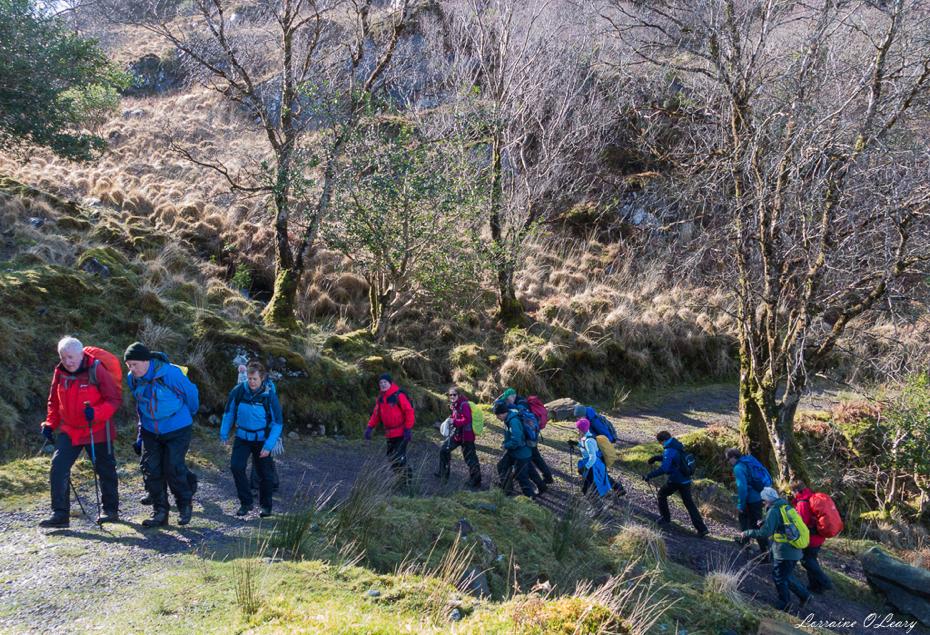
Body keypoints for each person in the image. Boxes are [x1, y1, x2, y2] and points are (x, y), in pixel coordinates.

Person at [39, 337, 122, 527]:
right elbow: (54, 401)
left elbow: (114, 399)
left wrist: (97, 413)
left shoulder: (96, 369)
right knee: (58, 467)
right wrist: (50, 423)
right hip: (71, 429)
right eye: (63, 356)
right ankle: (60, 515)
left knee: (105, 469)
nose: (67, 361)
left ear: (81, 353)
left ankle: (110, 510)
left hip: (98, 428)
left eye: (71, 357)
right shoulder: (60, 372)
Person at [125, 341, 199, 527]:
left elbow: (191, 394)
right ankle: (160, 514)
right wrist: (141, 434)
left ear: (146, 361)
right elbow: (140, 405)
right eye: (129, 365)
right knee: (152, 469)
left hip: (177, 428)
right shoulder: (132, 378)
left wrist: (187, 415)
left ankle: (184, 506)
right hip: (151, 430)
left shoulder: (170, 373)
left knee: (172, 467)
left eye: (135, 364)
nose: (132, 369)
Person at [220, 361, 283, 518]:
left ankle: (266, 507)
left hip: (262, 440)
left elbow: (278, 423)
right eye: (249, 378)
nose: (252, 382)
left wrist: (268, 446)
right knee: (236, 467)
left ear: (262, 378)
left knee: (265, 474)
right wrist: (224, 433)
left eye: (254, 379)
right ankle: (246, 503)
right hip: (242, 437)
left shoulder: (269, 396)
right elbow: (229, 413)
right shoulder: (238, 391)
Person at [742, 487, 812, 610]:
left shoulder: (774, 510)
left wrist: (747, 533)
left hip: (784, 551)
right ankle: (805, 596)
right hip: (795, 549)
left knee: (779, 577)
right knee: (786, 575)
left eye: (763, 500)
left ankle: (785, 604)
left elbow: (765, 533)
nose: (762, 503)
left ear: (768, 500)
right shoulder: (785, 507)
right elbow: (781, 526)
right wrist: (765, 523)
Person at [644, 430, 708, 537]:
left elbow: (664, 468)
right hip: (686, 480)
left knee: (661, 494)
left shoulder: (669, 450)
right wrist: (656, 458)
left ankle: (665, 519)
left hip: (676, 480)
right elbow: (674, 459)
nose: (661, 444)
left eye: (660, 442)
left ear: (663, 441)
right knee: (689, 504)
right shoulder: (677, 445)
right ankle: (702, 529)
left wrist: (649, 476)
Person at [365, 373, 414, 486]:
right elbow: (376, 414)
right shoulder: (381, 398)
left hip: (401, 433)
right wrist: (370, 427)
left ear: (390, 383)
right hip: (390, 434)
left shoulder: (398, 395)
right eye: (381, 383)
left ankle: (407, 480)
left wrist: (408, 428)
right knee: (391, 458)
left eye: (385, 382)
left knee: (399, 457)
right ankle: (400, 479)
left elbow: (409, 411)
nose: (383, 384)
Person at [498, 388, 554, 486]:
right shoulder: (519, 401)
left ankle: (546, 479)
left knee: (534, 458)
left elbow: (520, 414)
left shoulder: (521, 403)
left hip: (528, 437)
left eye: (507, 399)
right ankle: (544, 480)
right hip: (529, 435)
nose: (507, 402)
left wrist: (509, 406)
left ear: (512, 396)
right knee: (531, 459)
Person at [791, 481, 834, 594]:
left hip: (811, 537)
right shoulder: (810, 496)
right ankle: (815, 586)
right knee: (811, 559)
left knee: (806, 560)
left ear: (796, 491)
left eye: (792, 492)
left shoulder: (802, 503)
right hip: (818, 536)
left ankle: (825, 582)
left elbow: (802, 523)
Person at [726, 447, 769, 555]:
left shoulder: (738, 468)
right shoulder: (748, 461)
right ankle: (746, 542)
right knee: (750, 521)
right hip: (759, 497)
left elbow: (742, 488)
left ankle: (765, 551)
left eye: (728, 459)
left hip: (750, 500)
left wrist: (741, 504)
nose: (728, 462)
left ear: (732, 457)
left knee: (753, 523)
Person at [437, 386, 482, 488]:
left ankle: (476, 480)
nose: (452, 396)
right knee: (444, 449)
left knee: (470, 459)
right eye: (450, 395)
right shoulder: (455, 404)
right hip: (458, 435)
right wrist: (450, 419)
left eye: (454, 394)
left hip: (467, 437)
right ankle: (443, 473)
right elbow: (456, 417)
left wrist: (454, 421)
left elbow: (467, 420)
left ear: (459, 395)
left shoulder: (464, 405)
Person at [494, 402, 537, 498]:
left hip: (521, 454)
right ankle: (506, 489)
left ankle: (530, 498)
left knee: (521, 477)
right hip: (513, 451)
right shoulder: (508, 419)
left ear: (502, 413)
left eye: (497, 415)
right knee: (501, 466)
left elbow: (516, 441)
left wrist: (506, 445)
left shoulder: (513, 421)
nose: (497, 418)